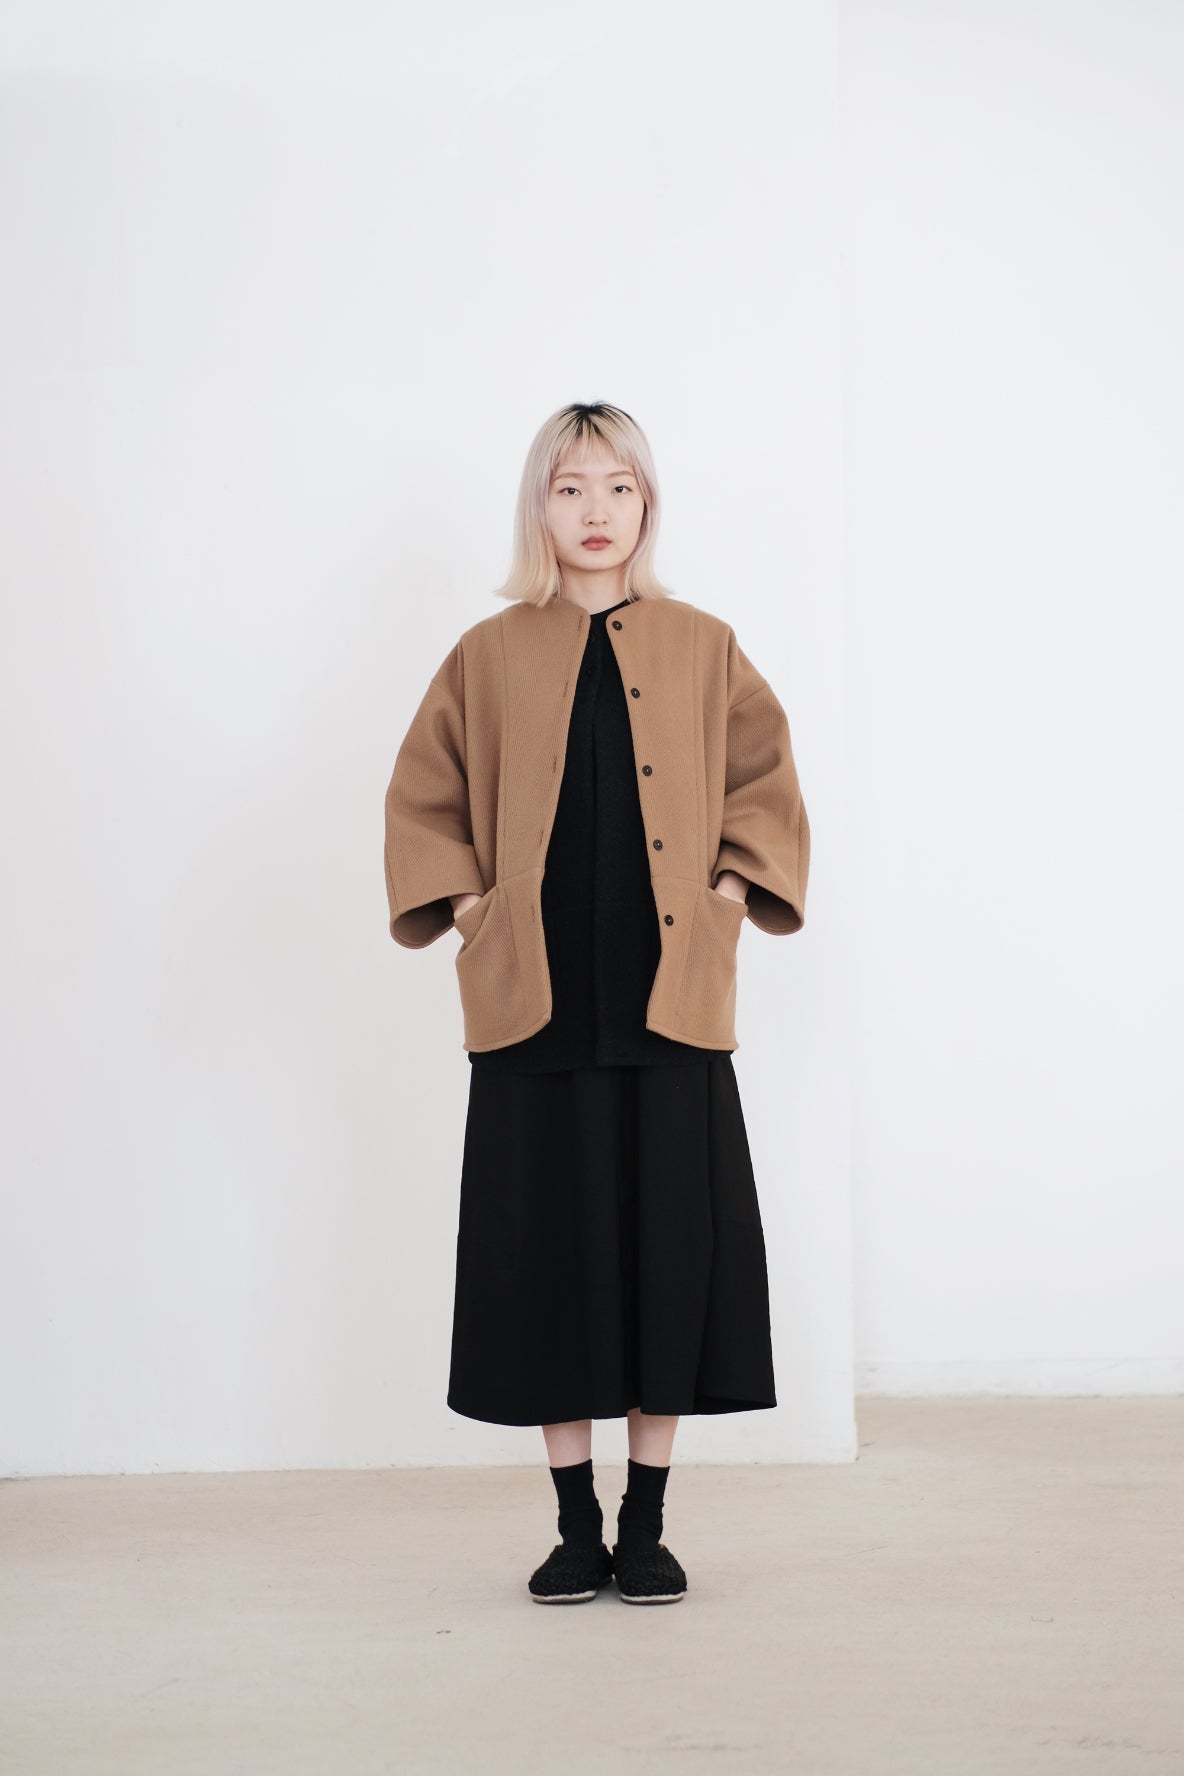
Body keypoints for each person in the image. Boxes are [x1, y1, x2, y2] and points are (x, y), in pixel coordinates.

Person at [383, 402, 810, 1606]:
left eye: (618, 487)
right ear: (540, 506)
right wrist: (470, 907)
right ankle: (574, 1526)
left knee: (668, 1262)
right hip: (536, 1009)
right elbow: (422, 796)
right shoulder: (486, 653)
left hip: (668, 1003)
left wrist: (728, 892)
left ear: (646, 505)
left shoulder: (704, 645)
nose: (594, 511)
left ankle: (647, 1526)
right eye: (570, 487)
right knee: (547, 1264)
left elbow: (765, 781)